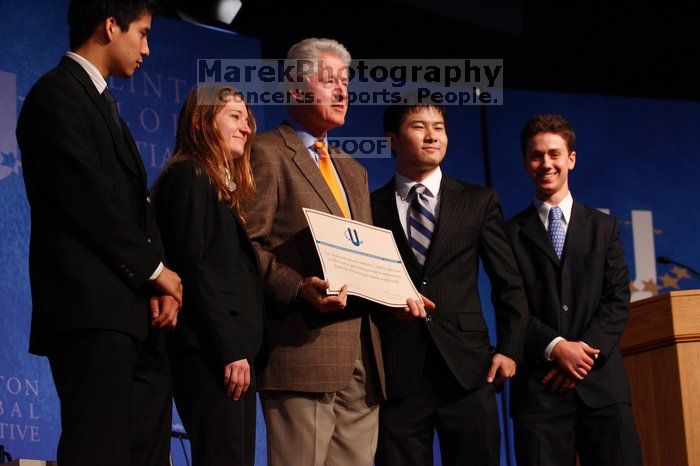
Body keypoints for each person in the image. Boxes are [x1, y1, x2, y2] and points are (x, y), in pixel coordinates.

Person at [243, 38, 429, 466]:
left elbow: (365, 258)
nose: (342, 91)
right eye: (329, 80)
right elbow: (244, 247)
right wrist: (296, 287)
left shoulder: (354, 169)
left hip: (363, 357)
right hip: (303, 353)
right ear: (294, 89)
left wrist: (395, 297)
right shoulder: (267, 152)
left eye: (345, 81)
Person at [15, 1, 182, 464]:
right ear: (111, 26)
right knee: (98, 448)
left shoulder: (107, 108)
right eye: (142, 33)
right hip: (90, 315)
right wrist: (154, 270)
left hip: (132, 318)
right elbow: (88, 201)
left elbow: (137, 209)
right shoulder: (56, 96)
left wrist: (158, 278)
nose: (146, 49)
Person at [371, 96, 529, 466]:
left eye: (438, 128)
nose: (431, 137)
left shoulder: (478, 200)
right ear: (392, 138)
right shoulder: (369, 205)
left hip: (469, 371)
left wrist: (510, 348)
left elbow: (508, 282)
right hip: (398, 374)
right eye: (418, 127)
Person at [505, 114, 642, 466]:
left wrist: (581, 356)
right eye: (536, 156)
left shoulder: (603, 227)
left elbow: (616, 299)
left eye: (554, 153)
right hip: (539, 392)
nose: (546, 164)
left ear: (571, 159)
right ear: (525, 163)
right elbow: (511, 304)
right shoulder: (508, 234)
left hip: (602, 388)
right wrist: (556, 348)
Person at [151, 84, 265, 466]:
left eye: (247, 118)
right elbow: (195, 269)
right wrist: (229, 349)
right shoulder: (189, 176)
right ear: (202, 122)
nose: (247, 127)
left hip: (225, 353)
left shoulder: (213, 185)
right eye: (234, 116)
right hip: (210, 353)